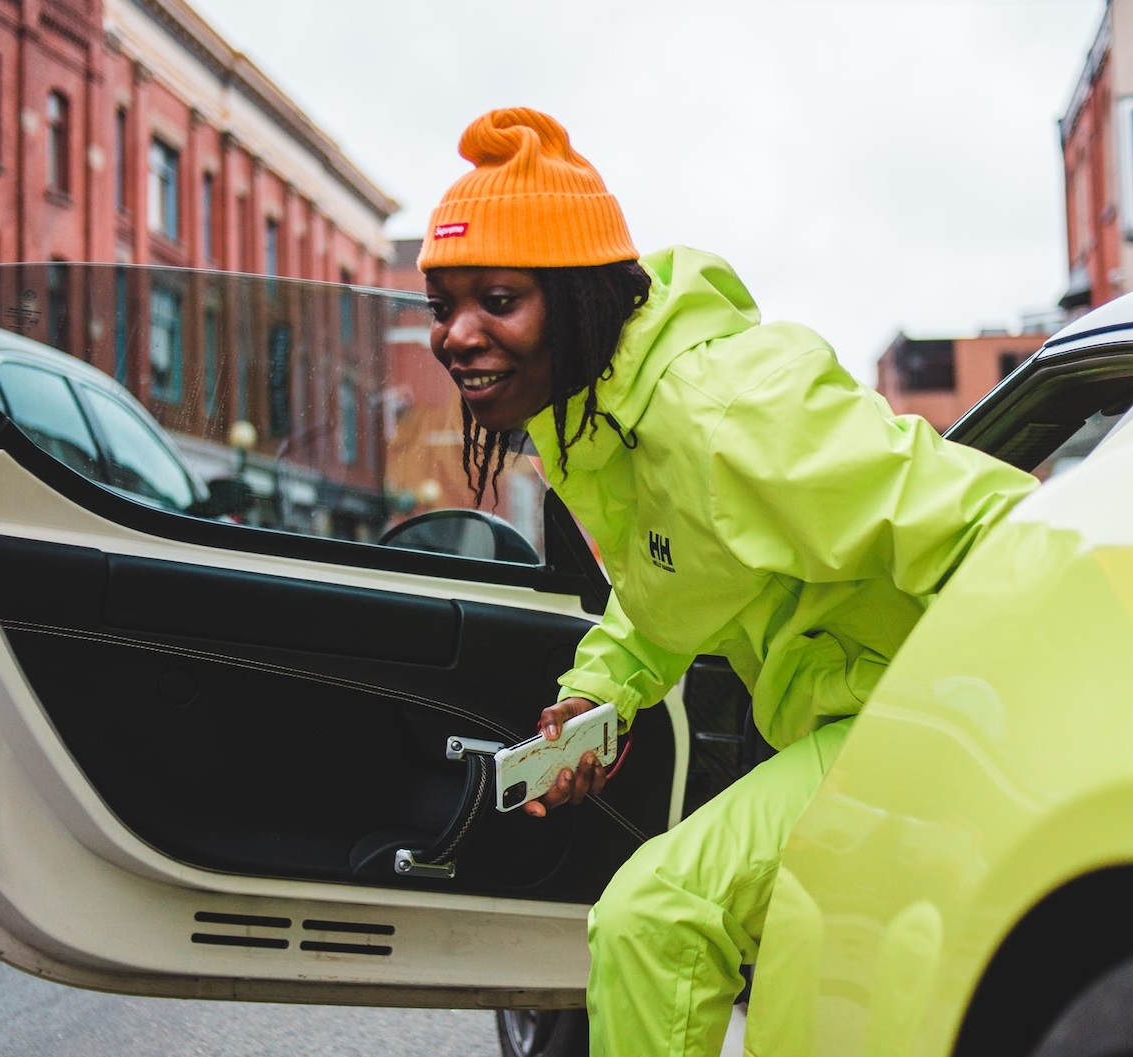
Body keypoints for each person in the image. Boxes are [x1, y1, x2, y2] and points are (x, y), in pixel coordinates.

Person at [418, 107, 1038, 1057]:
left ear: (578, 299)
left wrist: (1034, 721)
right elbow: (685, 575)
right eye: (440, 305)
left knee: (654, 917)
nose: (456, 335)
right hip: (852, 719)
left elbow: (994, 530)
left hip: (936, 710)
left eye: (497, 300)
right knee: (790, 1003)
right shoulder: (595, 420)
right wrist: (602, 692)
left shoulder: (729, 405)